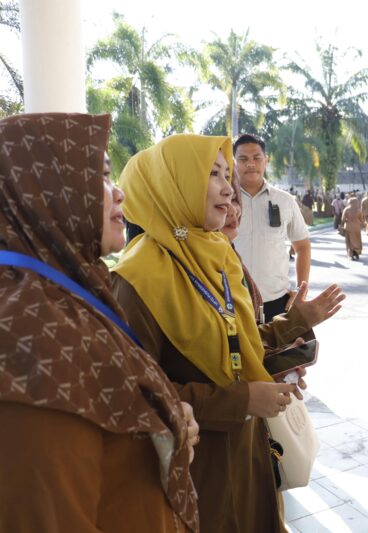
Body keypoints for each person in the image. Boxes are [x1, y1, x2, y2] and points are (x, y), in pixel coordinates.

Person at [112, 134, 344, 533]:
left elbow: (237, 348)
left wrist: (272, 365)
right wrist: (242, 399)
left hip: (247, 453)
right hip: (197, 471)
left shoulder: (217, 257)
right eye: (212, 175)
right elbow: (134, 396)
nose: (227, 187)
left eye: (226, 174)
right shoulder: (137, 279)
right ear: (175, 185)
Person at [0, 113, 199, 532]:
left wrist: (167, 421)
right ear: (45, 189)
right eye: (102, 176)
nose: (119, 193)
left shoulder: (68, 294)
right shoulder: (30, 340)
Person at [233, 134, 312, 323]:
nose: (251, 164)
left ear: (266, 161)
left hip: (276, 304)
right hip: (231, 303)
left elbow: (302, 247)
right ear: (233, 162)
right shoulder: (224, 201)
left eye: (256, 158)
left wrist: (301, 292)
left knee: (280, 353)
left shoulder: (284, 201)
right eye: (243, 159)